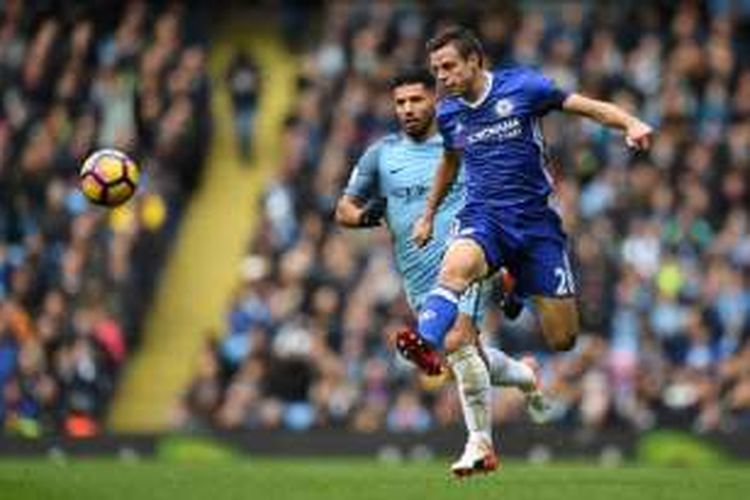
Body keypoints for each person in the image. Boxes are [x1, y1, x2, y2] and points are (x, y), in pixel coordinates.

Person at [399, 26, 653, 471]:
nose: (442, 77)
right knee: (453, 273)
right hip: (483, 219)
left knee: (563, 339)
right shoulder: (450, 112)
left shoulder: (524, 87)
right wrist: (427, 214)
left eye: (449, 67)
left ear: (475, 61)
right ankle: (425, 340)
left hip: (536, 227)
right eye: (436, 69)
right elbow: (449, 161)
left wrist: (630, 122)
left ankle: (513, 282)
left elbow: (588, 108)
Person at [335, 68, 548, 477]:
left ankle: (480, 445)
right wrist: (365, 217)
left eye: (416, 100)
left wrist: (508, 259)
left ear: (434, 99)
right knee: (464, 352)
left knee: (455, 340)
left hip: (466, 257)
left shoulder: (464, 141)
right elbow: (342, 209)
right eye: (400, 103)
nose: (408, 109)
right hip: (418, 276)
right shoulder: (381, 154)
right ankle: (523, 374)